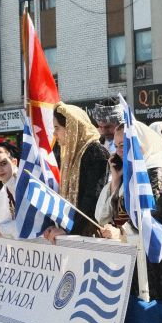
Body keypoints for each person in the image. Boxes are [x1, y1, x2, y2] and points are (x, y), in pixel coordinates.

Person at [103, 116, 162, 300]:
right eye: (117, 146)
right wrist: (116, 179)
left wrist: (121, 232)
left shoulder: (159, 171)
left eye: (125, 145)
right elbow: (116, 213)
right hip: (138, 250)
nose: (120, 152)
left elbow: (150, 212)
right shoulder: (132, 173)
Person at [44, 103, 110, 241]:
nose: (55, 134)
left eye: (57, 128)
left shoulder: (96, 152)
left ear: (72, 128)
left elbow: (92, 198)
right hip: (74, 231)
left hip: (89, 235)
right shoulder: (71, 154)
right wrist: (58, 225)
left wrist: (69, 229)